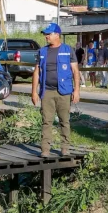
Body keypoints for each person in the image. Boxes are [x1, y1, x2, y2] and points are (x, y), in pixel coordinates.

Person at [31, 23, 79, 157]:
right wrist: (34, 91)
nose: (46, 36)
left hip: (64, 91)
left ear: (57, 35)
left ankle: (65, 148)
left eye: (49, 34)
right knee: (47, 121)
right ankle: (45, 149)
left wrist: (76, 91)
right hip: (46, 91)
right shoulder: (42, 52)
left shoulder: (68, 50)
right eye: (45, 34)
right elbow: (37, 72)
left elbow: (75, 71)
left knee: (64, 120)